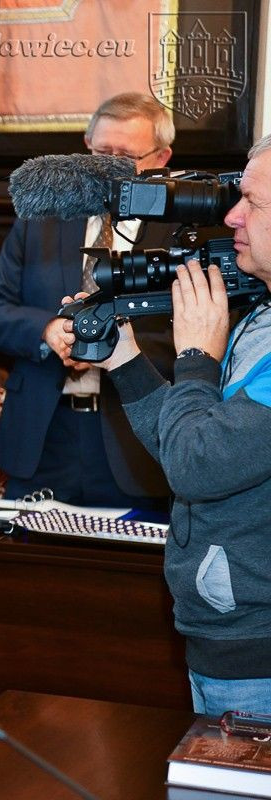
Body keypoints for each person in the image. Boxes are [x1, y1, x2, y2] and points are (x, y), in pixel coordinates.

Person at [93, 134, 271, 714]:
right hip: (224, 643)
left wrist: (196, 357)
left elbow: (198, 467)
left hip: (257, 657)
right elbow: (185, 445)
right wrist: (122, 357)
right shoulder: (262, 316)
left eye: (254, 204)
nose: (233, 215)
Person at [0, 92, 176, 508]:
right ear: (85, 147)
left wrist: (113, 348)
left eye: (125, 158)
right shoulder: (40, 217)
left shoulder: (180, 233)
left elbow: (197, 339)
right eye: (101, 153)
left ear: (161, 159)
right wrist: (49, 331)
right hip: (43, 439)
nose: (108, 168)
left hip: (133, 443)